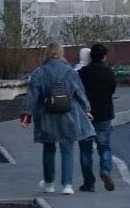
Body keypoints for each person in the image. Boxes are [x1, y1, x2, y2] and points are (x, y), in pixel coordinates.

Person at [20, 42, 96, 195]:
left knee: (48, 149)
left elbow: (32, 96)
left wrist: (26, 116)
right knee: (67, 148)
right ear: (61, 54)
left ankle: (49, 184)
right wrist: (86, 109)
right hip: (69, 114)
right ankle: (67, 185)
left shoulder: (39, 73)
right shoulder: (70, 72)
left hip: (47, 115)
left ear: (47, 54)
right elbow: (80, 93)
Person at [78, 43, 117, 192]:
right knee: (104, 147)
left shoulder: (82, 73)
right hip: (104, 114)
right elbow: (112, 89)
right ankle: (105, 170)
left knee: (85, 150)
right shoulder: (108, 72)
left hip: (85, 115)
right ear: (104, 56)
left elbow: (78, 92)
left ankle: (89, 183)